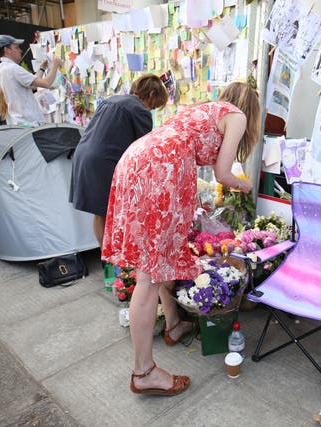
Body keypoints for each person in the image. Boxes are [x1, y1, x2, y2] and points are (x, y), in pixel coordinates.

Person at [102, 82, 260, 396]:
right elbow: (223, 174)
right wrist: (245, 185)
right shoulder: (237, 116)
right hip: (164, 168)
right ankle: (143, 372)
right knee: (148, 276)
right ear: (251, 109)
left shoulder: (207, 109)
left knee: (155, 263)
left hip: (139, 157)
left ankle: (173, 325)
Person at [70, 74, 169, 249]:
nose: (152, 109)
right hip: (104, 162)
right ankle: (115, 260)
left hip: (83, 154)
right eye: (154, 105)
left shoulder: (112, 100)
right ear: (152, 94)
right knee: (113, 213)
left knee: (101, 213)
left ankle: (106, 258)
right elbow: (143, 150)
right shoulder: (140, 110)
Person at [0, 34, 63, 126]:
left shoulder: (2, 68)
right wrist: (55, 66)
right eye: (17, 47)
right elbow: (46, 83)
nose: (20, 50)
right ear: (7, 50)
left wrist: (42, 69)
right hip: (29, 122)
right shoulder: (13, 68)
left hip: (19, 122)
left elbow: (33, 85)